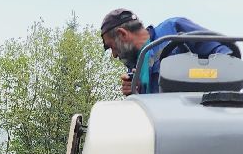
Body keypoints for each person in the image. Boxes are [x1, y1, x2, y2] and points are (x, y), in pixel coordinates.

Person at [99, 9, 231, 96]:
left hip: (198, 118)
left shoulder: (174, 29)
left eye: (112, 47)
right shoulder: (135, 69)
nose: (114, 55)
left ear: (122, 34)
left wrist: (194, 75)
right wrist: (134, 94)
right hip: (163, 131)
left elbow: (227, 57)